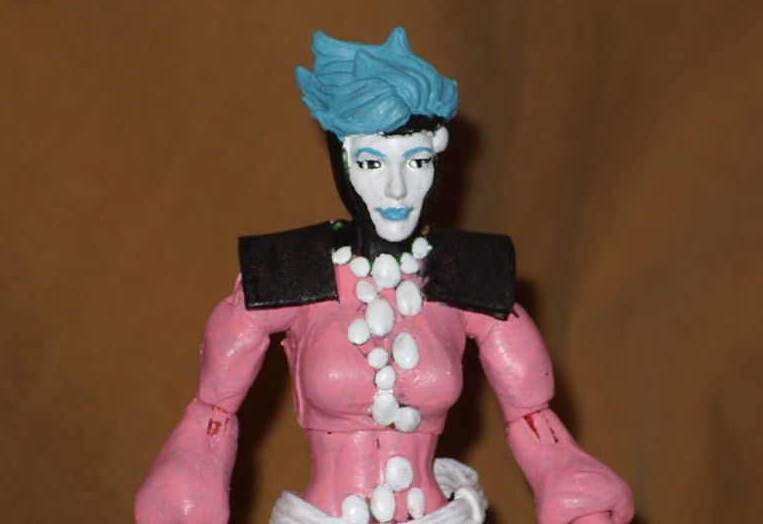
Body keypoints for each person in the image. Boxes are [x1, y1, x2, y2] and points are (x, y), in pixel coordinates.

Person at [135, 28, 634, 524]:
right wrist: (185, 486)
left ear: (438, 161)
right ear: (341, 162)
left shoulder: (467, 276)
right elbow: (212, 413)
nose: (397, 189)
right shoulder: (292, 272)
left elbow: (533, 418)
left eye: (417, 162)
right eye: (372, 163)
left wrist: (577, 494)